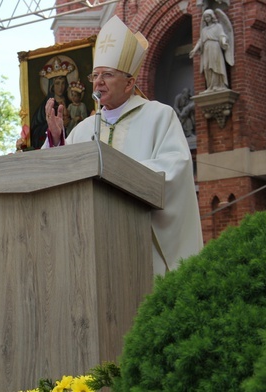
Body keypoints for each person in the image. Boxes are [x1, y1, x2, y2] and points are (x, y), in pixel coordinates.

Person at [44, 15, 203, 275]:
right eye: (95, 75)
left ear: (130, 83)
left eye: (107, 75)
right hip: (91, 247)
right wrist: (56, 140)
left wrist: (116, 174)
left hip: (140, 243)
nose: (98, 82)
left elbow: (176, 168)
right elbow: (57, 176)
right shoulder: (84, 129)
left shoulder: (159, 116)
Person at [29, 55, 76, 149]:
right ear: (52, 86)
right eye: (57, 83)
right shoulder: (46, 107)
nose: (61, 87)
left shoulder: (72, 103)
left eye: (63, 83)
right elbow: (36, 130)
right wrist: (52, 126)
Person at [189, 8, 234, 92]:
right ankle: (210, 86)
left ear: (212, 17)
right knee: (207, 66)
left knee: (215, 65)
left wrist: (224, 42)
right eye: (205, 17)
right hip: (206, 48)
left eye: (208, 17)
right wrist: (194, 50)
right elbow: (200, 41)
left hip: (215, 47)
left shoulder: (218, 26)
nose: (207, 19)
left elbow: (222, 35)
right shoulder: (204, 30)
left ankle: (219, 85)